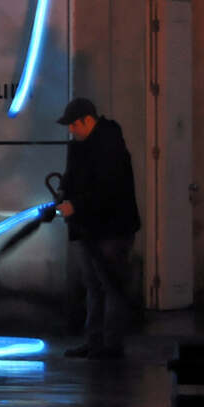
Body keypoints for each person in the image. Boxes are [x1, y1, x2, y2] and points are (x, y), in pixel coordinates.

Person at [55, 97, 140, 360]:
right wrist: (64, 192)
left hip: (111, 229)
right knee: (95, 284)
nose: (71, 130)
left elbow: (108, 189)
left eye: (74, 124)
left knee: (109, 285)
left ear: (87, 120)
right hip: (90, 227)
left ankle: (109, 344)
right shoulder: (86, 145)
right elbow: (74, 177)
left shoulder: (108, 145)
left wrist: (75, 205)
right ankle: (96, 342)